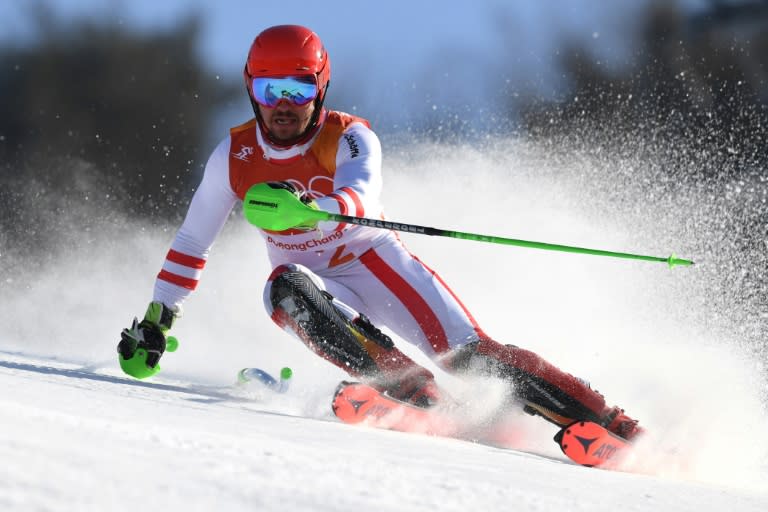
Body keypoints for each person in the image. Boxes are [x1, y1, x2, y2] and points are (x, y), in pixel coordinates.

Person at [118, 25, 643, 440]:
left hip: (376, 265)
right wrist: (157, 321)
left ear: (319, 88)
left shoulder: (349, 136)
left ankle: (606, 421)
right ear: (250, 90)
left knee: (472, 359)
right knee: (282, 289)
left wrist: (308, 210)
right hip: (316, 283)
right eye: (268, 88)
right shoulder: (234, 155)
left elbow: (360, 197)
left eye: (297, 88)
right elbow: (192, 242)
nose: (282, 104)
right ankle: (408, 389)